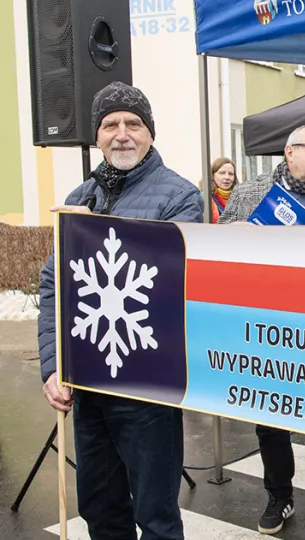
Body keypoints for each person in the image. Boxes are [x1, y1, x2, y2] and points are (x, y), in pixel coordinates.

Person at [38, 81, 203, 540]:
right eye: (110, 124)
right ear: (97, 136)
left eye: (134, 123)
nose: (122, 133)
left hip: (147, 389)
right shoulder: (77, 199)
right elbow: (54, 283)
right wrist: (52, 365)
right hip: (87, 385)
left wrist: (99, 233)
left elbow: (174, 281)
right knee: (99, 508)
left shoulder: (181, 196)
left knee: (155, 515)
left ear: (150, 133)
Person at [218, 125, 305, 535]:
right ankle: (279, 495)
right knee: (271, 415)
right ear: (289, 151)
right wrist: (231, 235)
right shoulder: (251, 194)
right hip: (268, 326)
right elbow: (215, 250)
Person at [208, 157, 238, 223]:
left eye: (230, 174)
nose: (227, 177)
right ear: (212, 175)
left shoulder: (240, 199)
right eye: (222, 173)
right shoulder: (205, 199)